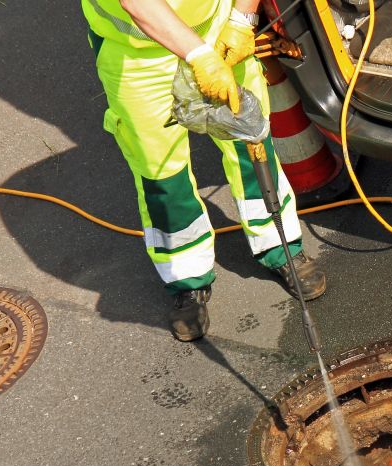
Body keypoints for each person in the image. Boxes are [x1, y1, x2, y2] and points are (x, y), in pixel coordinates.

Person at [80, 0, 326, 341]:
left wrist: (242, 19)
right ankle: (186, 277)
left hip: (220, 31)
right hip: (136, 56)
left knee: (252, 146)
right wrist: (199, 57)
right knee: (162, 174)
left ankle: (279, 244)